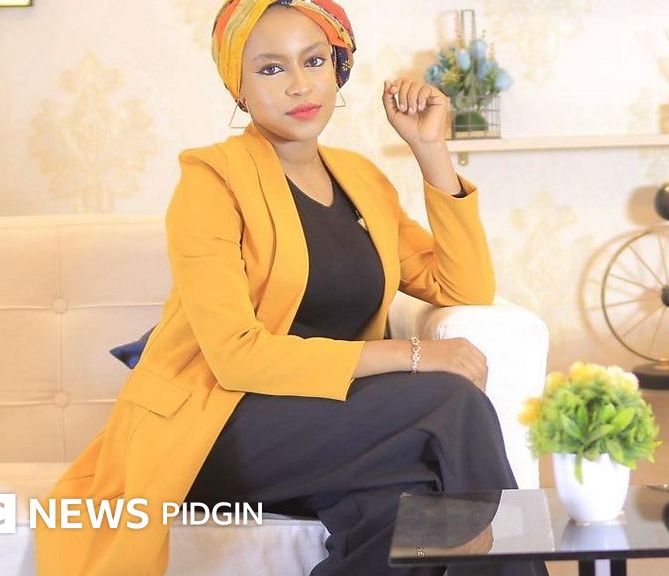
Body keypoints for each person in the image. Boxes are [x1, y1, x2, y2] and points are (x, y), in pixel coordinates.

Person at [35, 1, 548, 575]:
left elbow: (463, 286)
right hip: (218, 429)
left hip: (332, 424)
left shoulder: (361, 180)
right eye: (271, 68)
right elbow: (236, 356)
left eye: (314, 61)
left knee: (401, 505)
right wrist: (413, 355)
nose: (299, 84)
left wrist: (432, 153)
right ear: (239, 88)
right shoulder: (211, 183)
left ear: (339, 68)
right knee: (450, 402)